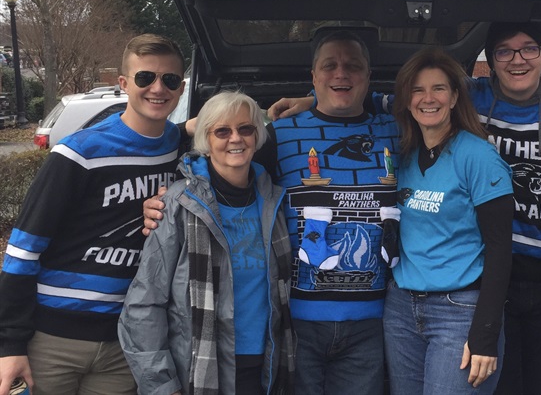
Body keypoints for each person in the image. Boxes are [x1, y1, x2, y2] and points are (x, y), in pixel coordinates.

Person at [269, 22, 541, 394]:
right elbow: (381, 99)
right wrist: (310, 101)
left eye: (529, 48)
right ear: (490, 60)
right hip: (480, 285)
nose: (517, 59)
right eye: (504, 51)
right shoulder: (468, 98)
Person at [144, 30, 400, 395]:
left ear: (368, 76)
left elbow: (440, 99)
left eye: (353, 66)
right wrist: (171, 198)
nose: (341, 74)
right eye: (330, 66)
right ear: (314, 76)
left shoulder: (397, 131)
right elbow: (223, 165)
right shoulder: (278, 134)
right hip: (295, 325)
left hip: (372, 324)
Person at [0, 34, 186, 395]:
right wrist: (10, 345)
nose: (158, 88)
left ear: (180, 89)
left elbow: (224, 131)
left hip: (125, 340)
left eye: (170, 80)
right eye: (145, 78)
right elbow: (22, 251)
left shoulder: (177, 146)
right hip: (52, 339)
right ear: (123, 84)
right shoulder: (78, 153)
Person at [119, 91, 294, 395]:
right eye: (222, 131)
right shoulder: (178, 203)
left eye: (246, 128)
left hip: (265, 366)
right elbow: (144, 302)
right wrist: (161, 385)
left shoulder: (274, 200)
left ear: (258, 135)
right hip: (199, 369)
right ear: (206, 140)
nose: (236, 138)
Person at [383, 48, 514, 394]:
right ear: (406, 100)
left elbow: (501, 249)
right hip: (400, 309)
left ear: (455, 96)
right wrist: (306, 100)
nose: (428, 99)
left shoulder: (479, 156)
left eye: (438, 89)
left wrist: (486, 332)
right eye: (417, 90)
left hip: (459, 311)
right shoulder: (406, 154)